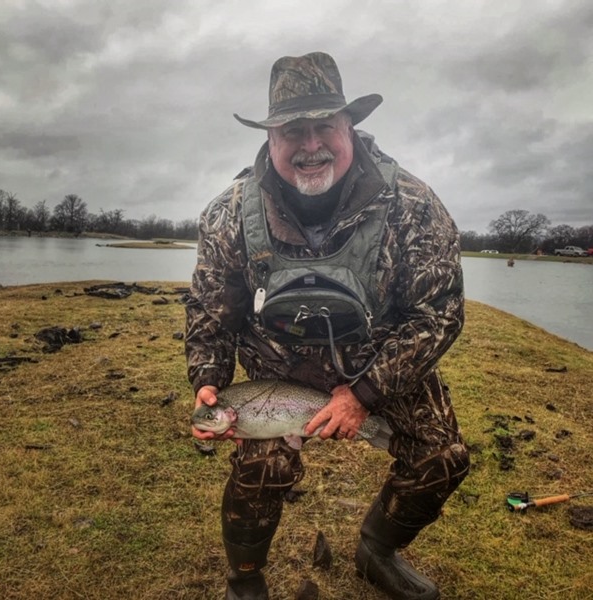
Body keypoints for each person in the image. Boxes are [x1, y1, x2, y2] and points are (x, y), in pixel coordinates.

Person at [186, 52, 470, 600]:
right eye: (293, 130)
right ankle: (244, 583)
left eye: (325, 127)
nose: (310, 144)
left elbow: (440, 313)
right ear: (271, 138)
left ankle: (376, 551)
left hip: (379, 362)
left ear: (350, 129)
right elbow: (209, 311)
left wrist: (363, 394)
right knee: (261, 466)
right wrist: (208, 377)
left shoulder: (412, 205)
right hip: (277, 365)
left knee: (443, 456)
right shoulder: (227, 215)